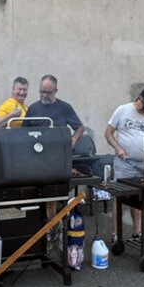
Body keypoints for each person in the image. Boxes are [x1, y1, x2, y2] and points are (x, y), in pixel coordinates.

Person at [23, 74, 85, 220]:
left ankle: (52, 229)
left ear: (56, 90)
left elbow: (80, 127)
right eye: (41, 91)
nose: (44, 95)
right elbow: (23, 133)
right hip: (35, 159)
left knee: (51, 196)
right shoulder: (32, 109)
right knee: (34, 196)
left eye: (48, 92)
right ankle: (38, 228)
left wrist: (73, 139)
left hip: (56, 159)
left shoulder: (64, 108)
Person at [105, 87, 144, 238]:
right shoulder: (122, 110)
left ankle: (137, 232)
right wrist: (118, 148)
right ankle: (116, 233)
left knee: (139, 197)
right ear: (138, 99)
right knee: (119, 197)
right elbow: (108, 133)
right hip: (124, 163)